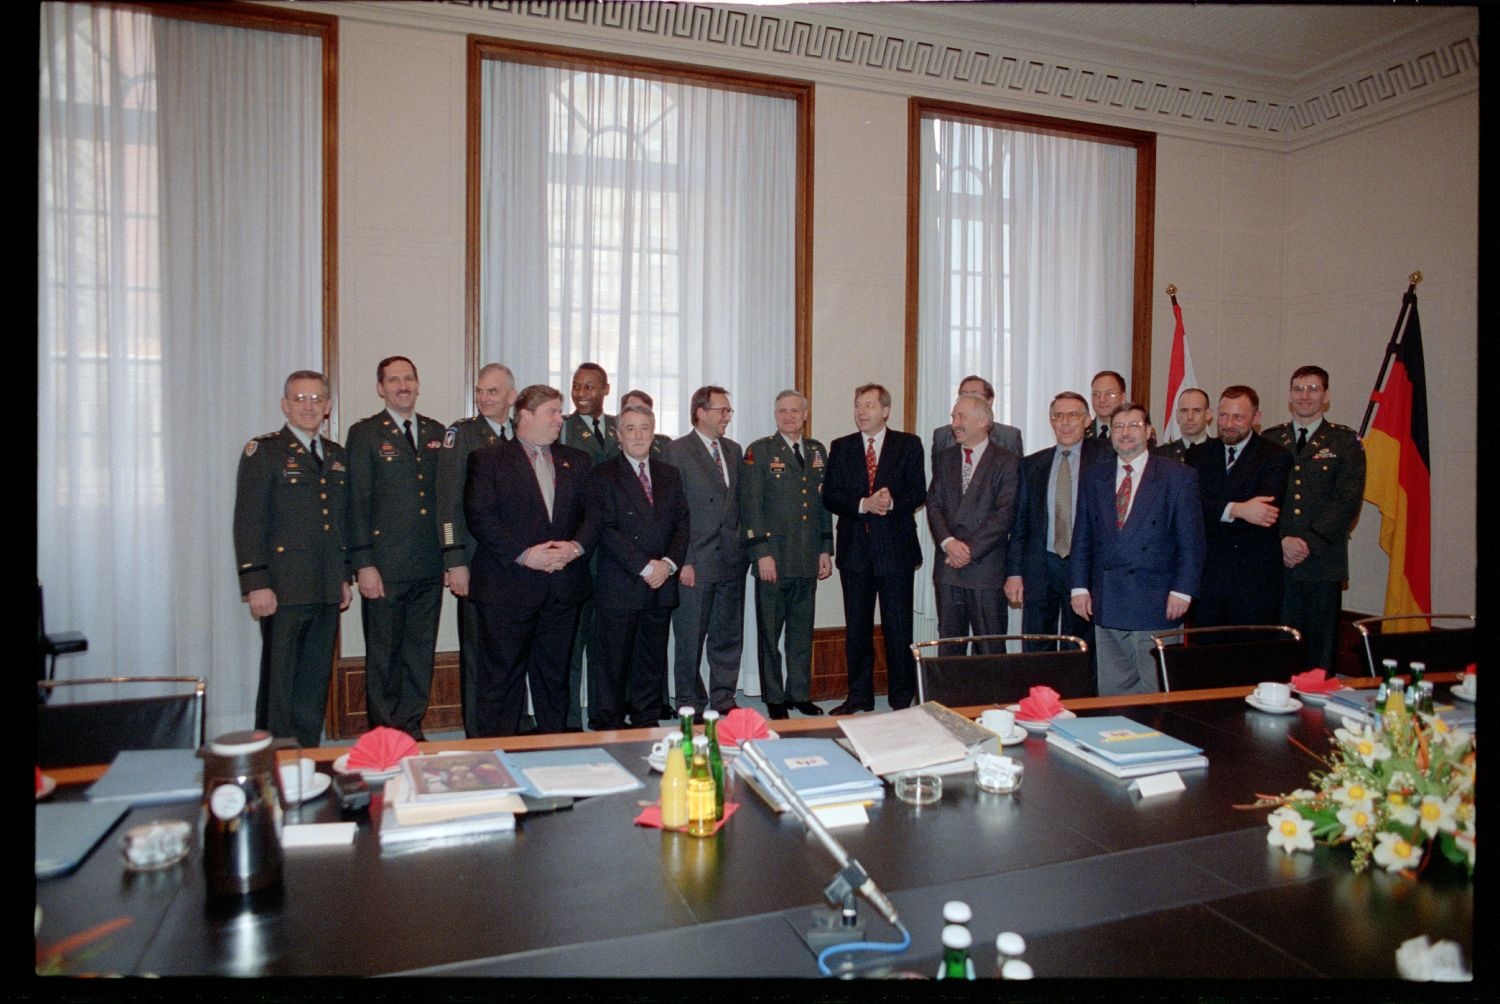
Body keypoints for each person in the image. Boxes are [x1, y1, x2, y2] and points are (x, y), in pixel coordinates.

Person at [465, 384, 599, 736]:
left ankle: (554, 754)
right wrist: (524, 555)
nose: (560, 419)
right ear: (524, 415)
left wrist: (574, 549)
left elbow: (594, 515)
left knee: (554, 678)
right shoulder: (488, 459)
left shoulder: (577, 460)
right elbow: (480, 516)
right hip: (507, 589)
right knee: (502, 680)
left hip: (562, 587)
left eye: (560, 412)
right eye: (552, 412)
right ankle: (498, 755)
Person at [233, 370, 352, 748]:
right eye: (300, 399)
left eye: (316, 399)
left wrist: (343, 577)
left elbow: (340, 522)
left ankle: (306, 754)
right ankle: (273, 756)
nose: (308, 407)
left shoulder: (335, 456)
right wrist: (256, 584)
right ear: (285, 405)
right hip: (282, 587)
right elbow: (249, 520)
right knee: (279, 683)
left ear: (328, 407)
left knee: (314, 679)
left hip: (325, 585)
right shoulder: (264, 451)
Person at [1070, 402, 1205, 696]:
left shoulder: (1177, 476)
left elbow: (1192, 541)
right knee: (1113, 687)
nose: (1125, 433)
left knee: (1155, 686)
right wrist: (1079, 587)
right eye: (1118, 427)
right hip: (1107, 597)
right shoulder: (1094, 476)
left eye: (1134, 425)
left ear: (1149, 432)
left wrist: (1183, 590)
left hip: (1157, 598)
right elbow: (1082, 536)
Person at [346, 356, 445, 740]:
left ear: (418, 384)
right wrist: (363, 564)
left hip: (427, 563)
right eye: (394, 380)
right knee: (384, 655)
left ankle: (411, 726)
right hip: (384, 567)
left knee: (419, 653)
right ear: (380, 388)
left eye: (409, 378)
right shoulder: (366, 434)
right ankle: (384, 734)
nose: (403, 385)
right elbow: (357, 502)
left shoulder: (436, 432)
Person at [824, 384, 926, 714]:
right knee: (857, 629)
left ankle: (901, 700)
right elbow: (830, 496)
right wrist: (862, 503)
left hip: (895, 551)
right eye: (857, 405)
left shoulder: (908, 444)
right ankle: (859, 697)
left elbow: (918, 492)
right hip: (855, 552)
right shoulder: (841, 447)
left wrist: (891, 501)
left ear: (885, 410)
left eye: (868, 405)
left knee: (898, 629)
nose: (861, 411)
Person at [588, 403, 689, 729]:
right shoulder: (603, 474)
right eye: (630, 429)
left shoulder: (669, 474)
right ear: (618, 436)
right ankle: (609, 724)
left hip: (662, 583)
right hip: (623, 583)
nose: (638, 435)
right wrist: (646, 567)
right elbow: (605, 529)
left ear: (653, 432)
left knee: (651, 661)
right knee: (613, 663)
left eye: (644, 428)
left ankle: (646, 722)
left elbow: (682, 524)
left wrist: (669, 564)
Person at [1262, 366, 1367, 670]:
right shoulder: (1271, 439)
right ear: (1289, 395)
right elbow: (1266, 497)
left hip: (1322, 562)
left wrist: (1307, 542)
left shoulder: (1344, 441)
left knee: (1319, 654)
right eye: (1298, 389)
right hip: (1278, 560)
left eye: (1312, 389)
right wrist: (1281, 539)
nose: (1304, 396)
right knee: (1278, 650)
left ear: (1326, 395)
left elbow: (1346, 500)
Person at [740, 390, 833, 720]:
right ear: (775, 414)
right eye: (782, 411)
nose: (789, 416)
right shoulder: (760, 451)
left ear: (805, 414)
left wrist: (825, 549)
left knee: (800, 632)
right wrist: (760, 553)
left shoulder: (817, 451)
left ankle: (799, 693)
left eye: (795, 411)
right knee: (769, 633)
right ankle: (774, 697)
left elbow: (823, 507)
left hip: (807, 558)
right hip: (774, 561)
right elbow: (750, 507)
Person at [436, 362, 517, 738]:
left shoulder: (521, 433)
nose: (484, 398)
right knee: (477, 653)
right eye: (481, 391)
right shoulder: (462, 435)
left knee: (510, 652)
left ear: (511, 397)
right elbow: (448, 501)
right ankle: (478, 732)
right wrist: (455, 561)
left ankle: (510, 724)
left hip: (514, 565)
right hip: (474, 561)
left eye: (493, 391)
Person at [1004, 392, 1110, 652]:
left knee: (1081, 644)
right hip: (1042, 564)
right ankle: (1041, 693)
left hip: (1085, 565)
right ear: (1051, 421)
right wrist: (1015, 573)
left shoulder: (1106, 459)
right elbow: (1020, 524)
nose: (1064, 422)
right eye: (1058, 416)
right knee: (1038, 644)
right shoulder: (1032, 465)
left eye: (1073, 415)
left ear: (1087, 420)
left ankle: (1078, 694)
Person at [664, 385, 747, 716]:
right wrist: (683, 560)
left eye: (729, 411)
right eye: (721, 411)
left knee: (727, 636)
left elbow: (739, 504)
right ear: (700, 412)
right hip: (695, 562)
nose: (726, 417)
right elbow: (673, 512)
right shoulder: (677, 451)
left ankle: (723, 698)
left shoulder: (733, 450)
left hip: (731, 558)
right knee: (689, 638)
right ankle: (689, 700)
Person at [1187, 386, 1292, 628]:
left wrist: (1215, 510)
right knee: (1207, 657)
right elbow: (1192, 509)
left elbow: (1263, 514)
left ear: (1256, 418)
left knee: (1249, 659)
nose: (1228, 424)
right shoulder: (1198, 455)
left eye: (1238, 417)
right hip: (1209, 578)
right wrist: (1239, 509)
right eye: (1223, 416)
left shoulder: (1275, 456)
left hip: (1254, 581)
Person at [926, 394, 1020, 654]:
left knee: (989, 648)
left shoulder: (1007, 461)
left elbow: (1004, 515)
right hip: (948, 568)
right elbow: (934, 505)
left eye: (960, 417)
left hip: (985, 568)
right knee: (949, 648)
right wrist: (949, 543)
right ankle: (948, 697)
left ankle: (991, 697)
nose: (954, 423)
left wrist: (968, 551)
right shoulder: (945, 458)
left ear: (982, 421)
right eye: (953, 417)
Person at [560, 362, 618, 730]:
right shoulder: (561, 428)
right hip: (578, 549)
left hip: (614, 552)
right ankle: (567, 720)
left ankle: (603, 714)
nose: (582, 394)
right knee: (570, 642)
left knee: (606, 642)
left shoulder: (618, 426)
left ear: (605, 390)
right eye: (576, 386)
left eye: (590, 387)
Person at [930, 374, 1023, 462]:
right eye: (964, 395)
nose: (968, 399)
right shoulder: (942, 436)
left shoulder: (1009, 437)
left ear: (990, 401)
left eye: (974, 394)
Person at [1153, 387, 1215, 463]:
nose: (1190, 417)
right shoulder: (1160, 456)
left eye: (1196, 411)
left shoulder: (1221, 453)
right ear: (1177, 415)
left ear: (1208, 414)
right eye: (1184, 411)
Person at [620, 389, 673, 458]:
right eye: (632, 410)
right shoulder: (610, 444)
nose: (638, 416)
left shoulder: (664, 445)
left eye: (644, 412)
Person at [1087, 370, 1128, 441]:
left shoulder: (1134, 431)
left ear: (1123, 398)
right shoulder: (1080, 432)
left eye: (1109, 394)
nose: (1102, 400)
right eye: (1096, 394)